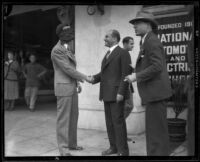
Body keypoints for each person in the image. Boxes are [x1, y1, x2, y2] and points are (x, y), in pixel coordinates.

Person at [125, 11, 172, 156]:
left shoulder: (152, 40)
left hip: (156, 94)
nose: (134, 26)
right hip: (153, 94)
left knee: (157, 134)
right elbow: (151, 64)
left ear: (148, 24)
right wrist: (136, 69)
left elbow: (157, 66)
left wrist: (136, 76)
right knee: (155, 132)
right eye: (134, 24)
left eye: (137, 23)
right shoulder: (146, 40)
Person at [88, 29, 132, 156]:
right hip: (106, 93)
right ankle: (113, 147)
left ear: (115, 38)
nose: (104, 39)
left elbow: (126, 74)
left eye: (107, 37)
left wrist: (121, 92)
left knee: (118, 123)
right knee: (109, 123)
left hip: (117, 94)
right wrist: (93, 79)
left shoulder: (123, 53)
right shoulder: (108, 53)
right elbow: (105, 74)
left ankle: (123, 151)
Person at [51, 23, 90, 156]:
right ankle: (63, 149)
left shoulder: (67, 48)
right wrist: (85, 77)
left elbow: (71, 69)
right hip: (63, 88)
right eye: (67, 34)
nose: (71, 37)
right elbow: (67, 69)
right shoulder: (57, 50)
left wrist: (77, 82)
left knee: (74, 117)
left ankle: (72, 144)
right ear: (61, 35)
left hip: (71, 86)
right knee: (63, 119)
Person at [122, 36, 134, 142]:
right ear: (125, 44)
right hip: (125, 86)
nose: (133, 46)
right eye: (131, 43)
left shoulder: (127, 54)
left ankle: (122, 134)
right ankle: (121, 134)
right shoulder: (123, 53)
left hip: (128, 85)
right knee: (128, 107)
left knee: (128, 107)